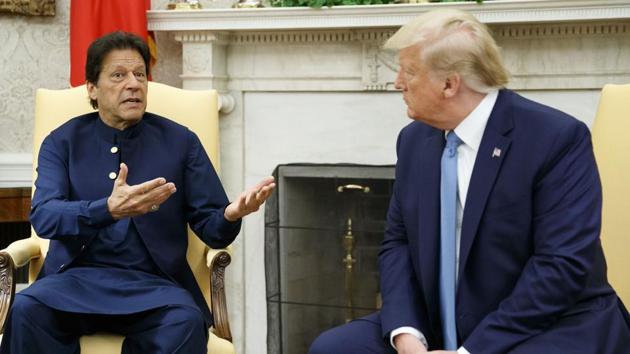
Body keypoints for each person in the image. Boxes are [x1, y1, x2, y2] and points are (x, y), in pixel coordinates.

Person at [309, 9, 630, 354]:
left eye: (409, 71)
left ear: (450, 84)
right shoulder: (414, 140)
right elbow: (397, 243)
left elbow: (561, 267)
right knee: (334, 348)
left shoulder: (555, 139)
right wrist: (407, 335)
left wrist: (470, 351)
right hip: (439, 321)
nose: (398, 82)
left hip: (544, 323)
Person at [0, 31, 275, 354]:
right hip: (75, 281)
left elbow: (212, 227)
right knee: (26, 312)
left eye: (140, 74)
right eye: (118, 75)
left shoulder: (180, 141)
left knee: (185, 322)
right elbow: (45, 217)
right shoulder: (62, 141)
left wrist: (230, 215)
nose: (133, 84)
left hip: (154, 285)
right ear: (92, 88)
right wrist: (108, 209)